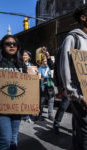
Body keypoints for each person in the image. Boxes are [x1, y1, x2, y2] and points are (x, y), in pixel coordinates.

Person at [60, 7, 87, 150]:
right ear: (83, 17)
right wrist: (76, 96)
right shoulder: (73, 39)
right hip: (81, 97)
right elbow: (65, 70)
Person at [38, 56, 55, 121]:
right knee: (42, 100)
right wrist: (46, 79)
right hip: (43, 86)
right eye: (44, 61)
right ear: (42, 61)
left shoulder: (51, 67)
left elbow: (53, 76)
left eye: (46, 61)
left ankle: (50, 115)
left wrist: (47, 78)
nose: (45, 62)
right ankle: (40, 114)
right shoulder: (40, 68)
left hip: (50, 86)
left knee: (51, 100)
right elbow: (39, 77)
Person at [22, 50, 35, 124]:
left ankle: (27, 117)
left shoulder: (32, 65)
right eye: (23, 55)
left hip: (29, 85)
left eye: (26, 55)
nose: (24, 56)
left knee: (28, 101)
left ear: (29, 57)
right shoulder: (19, 64)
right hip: (21, 84)